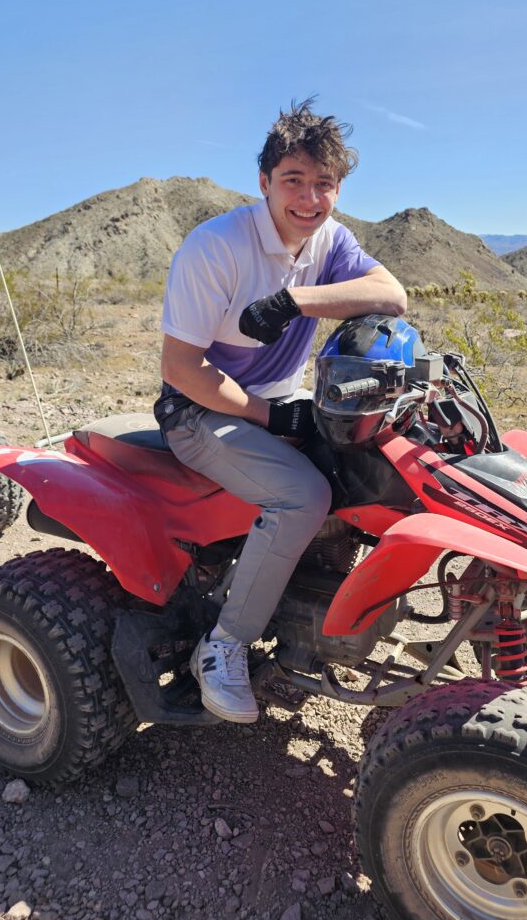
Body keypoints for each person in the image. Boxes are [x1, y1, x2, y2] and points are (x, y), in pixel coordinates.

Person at [154, 98, 407, 723]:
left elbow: (392, 294)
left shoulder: (330, 241)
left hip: (278, 397)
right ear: (263, 182)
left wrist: (296, 300)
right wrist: (270, 419)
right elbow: (180, 367)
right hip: (198, 410)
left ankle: (314, 600)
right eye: (293, 179)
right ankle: (224, 644)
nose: (308, 197)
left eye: (324, 184)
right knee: (303, 496)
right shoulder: (215, 247)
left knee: (377, 460)